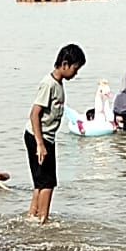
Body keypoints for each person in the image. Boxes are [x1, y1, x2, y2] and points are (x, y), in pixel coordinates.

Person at [24, 43, 86, 225]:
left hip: (45, 138)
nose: (76, 73)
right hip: (39, 137)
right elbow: (34, 114)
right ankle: (43, 221)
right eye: (75, 68)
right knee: (48, 183)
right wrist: (40, 144)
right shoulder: (48, 84)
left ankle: (32, 217)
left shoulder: (58, 84)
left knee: (40, 182)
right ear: (65, 64)